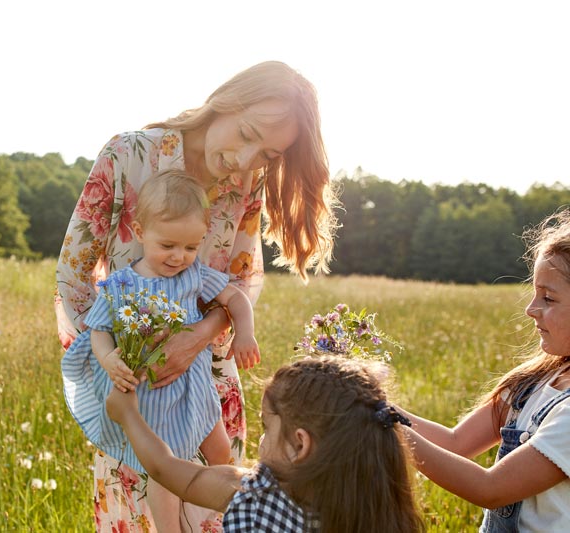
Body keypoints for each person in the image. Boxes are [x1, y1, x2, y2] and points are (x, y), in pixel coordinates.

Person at [55, 60, 339, 531]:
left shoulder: (247, 183)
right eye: (247, 134)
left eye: (267, 154)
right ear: (226, 102)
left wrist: (195, 339)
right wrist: (116, 363)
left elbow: (241, 280)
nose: (247, 161)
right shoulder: (128, 155)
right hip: (136, 394)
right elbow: (74, 274)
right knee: (145, 516)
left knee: (220, 516)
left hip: (208, 381)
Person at [62, 169, 261, 532]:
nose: (179, 257)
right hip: (155, 399)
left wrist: (245, 333)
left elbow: (236, 298)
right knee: (166, 470)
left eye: (190, 247)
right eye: (167, 246)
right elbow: (99, 331)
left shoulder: (195, 275)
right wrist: (109, 359)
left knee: (221, 451)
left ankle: (233, 516)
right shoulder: (122, 284)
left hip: (197, 388)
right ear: (139, 233)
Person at [106, 355, 424, 532]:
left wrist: (129, 416)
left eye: (267, 427)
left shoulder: (254, 496)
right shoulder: (378, 512)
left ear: (299, 446)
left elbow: (166, 469)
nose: (261, 439)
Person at [399, 208, 570, 531]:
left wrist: (386, 428)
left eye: (548, 298)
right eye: (534, 294)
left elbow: (490, 489)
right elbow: (455, 443)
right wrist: (373, 403)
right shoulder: (531, 382)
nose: (530, 309)